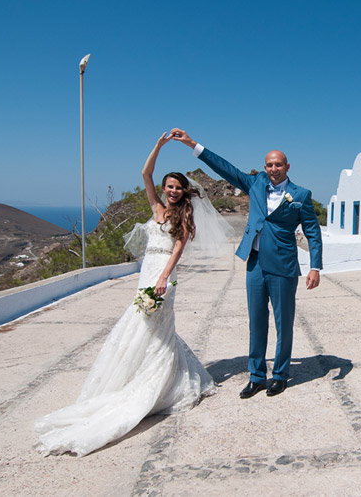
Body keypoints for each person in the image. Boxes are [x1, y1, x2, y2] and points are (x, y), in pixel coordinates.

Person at [34, 132, 231, 457]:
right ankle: (145, 374)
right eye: (169, 186)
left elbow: (178, 249)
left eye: (177, 187)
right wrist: (158, 146)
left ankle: (158, 383)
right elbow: (145, 174)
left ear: (183, 192)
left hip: (162, 277)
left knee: (151, 326)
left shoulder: (184, 215)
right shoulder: (155, 207)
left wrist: (164, 278)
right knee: (147, 327)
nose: (171, 191)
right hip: (146, 274)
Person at [170, 128, 323, 398]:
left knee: (283, 322)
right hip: (254, 264)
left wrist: (315, 266)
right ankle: (256, 376)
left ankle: (280, 375)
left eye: (278, 165)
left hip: (284, 266)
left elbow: (312, 231)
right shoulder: (255, 184)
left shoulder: (300, 195)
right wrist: (193, 145)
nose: (274, 169)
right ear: (264, 167)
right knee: (256, 321)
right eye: (269, 165)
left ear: (287, 167)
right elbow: (224, 168)